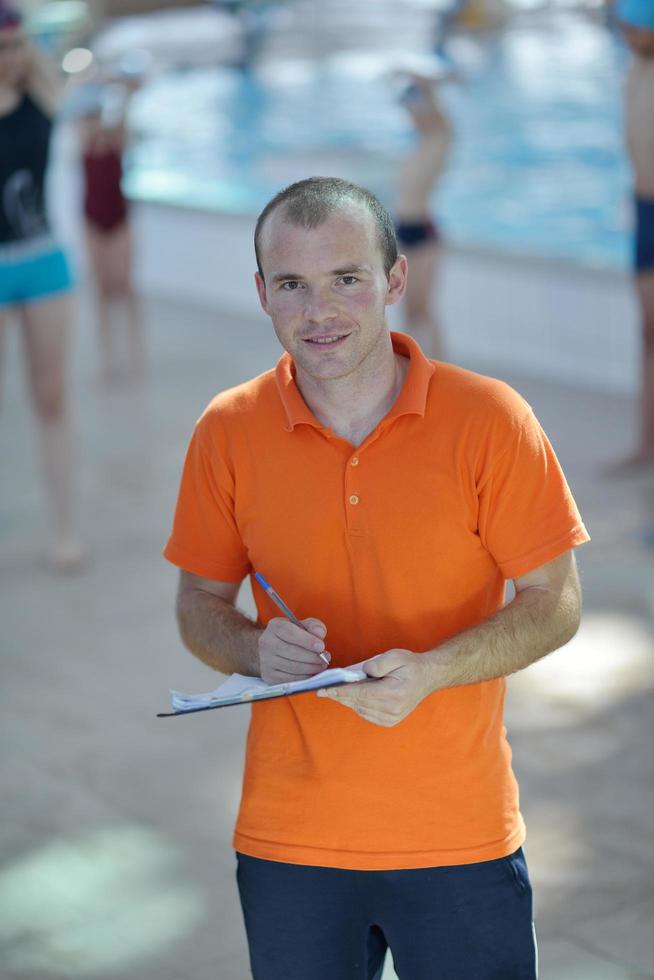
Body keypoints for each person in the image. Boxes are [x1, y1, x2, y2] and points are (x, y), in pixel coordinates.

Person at [164, 176, 590, 979]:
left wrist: (432, 672)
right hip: (289, 838)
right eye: (292, 284)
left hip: (458, 831)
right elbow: (198, 605)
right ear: (262, 294)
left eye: (346, 279)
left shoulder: (491, 420)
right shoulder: (226, 430)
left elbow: (555, 603)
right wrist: (256, 650)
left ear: (394, 280)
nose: (319, 312)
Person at [0, 3, 83, 570]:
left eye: (15, 47)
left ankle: (65, 528)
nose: (11, 58)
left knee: (51, 400)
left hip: (44, 264)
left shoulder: (42, 93)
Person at [78, 78, 143, 387]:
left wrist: (124, 90)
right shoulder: (82, 144)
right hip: (92, 222)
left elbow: (125, 115)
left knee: (125, 286)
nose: (89, 125)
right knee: (101, 290)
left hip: (119, 221)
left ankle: (134, 353)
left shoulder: (117, 140)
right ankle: (107, 358)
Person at [614, 0, 654, 468]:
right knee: (648, 332)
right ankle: (646, 444)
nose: (625, 34)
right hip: (644, 212)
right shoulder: (633, 70)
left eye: (633, 28)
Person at [394, 73, 452, 359]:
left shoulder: (438, 141)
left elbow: (440, 120)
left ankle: (442, 368)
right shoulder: (416, 147)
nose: (413, 116)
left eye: (416, 110)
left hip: (423, 232)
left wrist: (426, 86)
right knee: (408, 308)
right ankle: (409, 364)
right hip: (402, 228)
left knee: (424, 307)